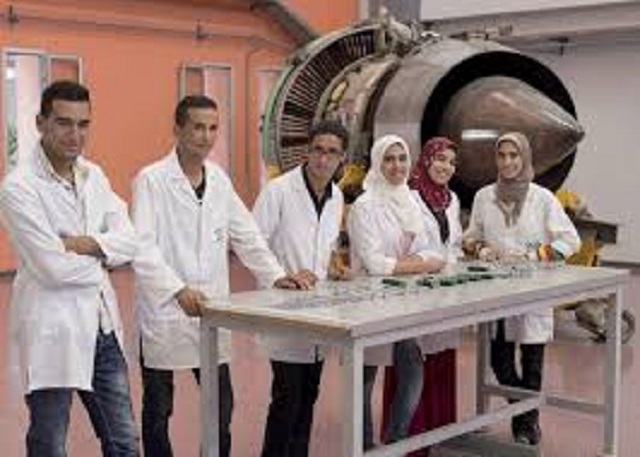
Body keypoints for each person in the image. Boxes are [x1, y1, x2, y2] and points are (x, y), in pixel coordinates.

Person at [132, 95, 311, 457]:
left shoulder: (218, 179)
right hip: (166, 310)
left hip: (212, 309)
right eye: (198, 127)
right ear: (178, 129)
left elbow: (246, 234)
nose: (206, 136)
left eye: (213, 128)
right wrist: (177, 289)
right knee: (158, 410)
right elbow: (142, 246)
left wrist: (276, 276)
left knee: (221, 406)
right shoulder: (151, 180)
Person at [0, 80, 139, 456]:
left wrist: (83, 244)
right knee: (49, 443)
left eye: (83, 124)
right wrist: (106, 256)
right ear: (40, 123)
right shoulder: (19, 188)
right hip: (53, 330)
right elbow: (52, 268)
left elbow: (131, 240)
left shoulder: (95, 176)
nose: (75, 134)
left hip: (102, 328)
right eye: (63, 122)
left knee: (124, 442)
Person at [463, 131, 581, 445]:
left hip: (534, 292)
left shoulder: (543, 198)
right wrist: (482, 249)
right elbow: (470, 237)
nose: (507, 162)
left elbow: (570, 241)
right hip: (497, 293)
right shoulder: (484, 196)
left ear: (525, 157)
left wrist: (537, 255)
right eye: (502, 155)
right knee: (499, 363)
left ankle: (526, 428)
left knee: (532, 365)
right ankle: (526, 416)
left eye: (513, 155)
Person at [253, 119, 350, 457]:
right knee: (287, 399)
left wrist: (333, 267)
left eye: (332, 152)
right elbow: (253, 242)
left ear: (342, 158)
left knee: (309, 395)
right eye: (318, 150)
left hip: (319, 313)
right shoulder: (278, 191)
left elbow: (324, 246)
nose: (323, 159)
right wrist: (279, 276)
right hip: (283, 310)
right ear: (307, 152)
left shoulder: (336, 196)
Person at [347, 134, 445, 449]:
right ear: (377, 163)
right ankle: (363, 447)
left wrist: (411, 263)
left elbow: (432, 251)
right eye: (388, 159)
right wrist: (419, 264)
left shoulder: (411, 202)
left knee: (412, 369)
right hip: (369, 301)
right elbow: (375, 264)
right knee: (365, 377)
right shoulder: (364, 206)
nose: (397, 166)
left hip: (405, 300)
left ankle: (394, 441)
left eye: (402, 159)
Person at [381, 137, 462, 456]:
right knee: (411, 365)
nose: (446, 167)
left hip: (444, 294)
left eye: (452, 162)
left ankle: (437, 435)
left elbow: (453, 245)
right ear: (426, 160)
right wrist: (426, 263)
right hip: (412, 294)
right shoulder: (408, 197)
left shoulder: (451, 200)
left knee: (439, 359)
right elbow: (402, 248)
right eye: (440, 159)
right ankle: (408, 441)